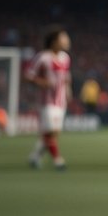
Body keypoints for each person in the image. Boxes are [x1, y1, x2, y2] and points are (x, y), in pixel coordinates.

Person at [26, 26, 72, 170]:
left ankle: (35, 156)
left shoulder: (65, 58)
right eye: (63, 38)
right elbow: (28, 75)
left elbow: (66, 76)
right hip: (47, 102)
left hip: (61, 101)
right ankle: (58, 160)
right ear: (54, 41)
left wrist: (68, 90)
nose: (66, 40)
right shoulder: (43, 57)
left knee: (53, 133)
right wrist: (41, 82)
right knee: (51, 131)